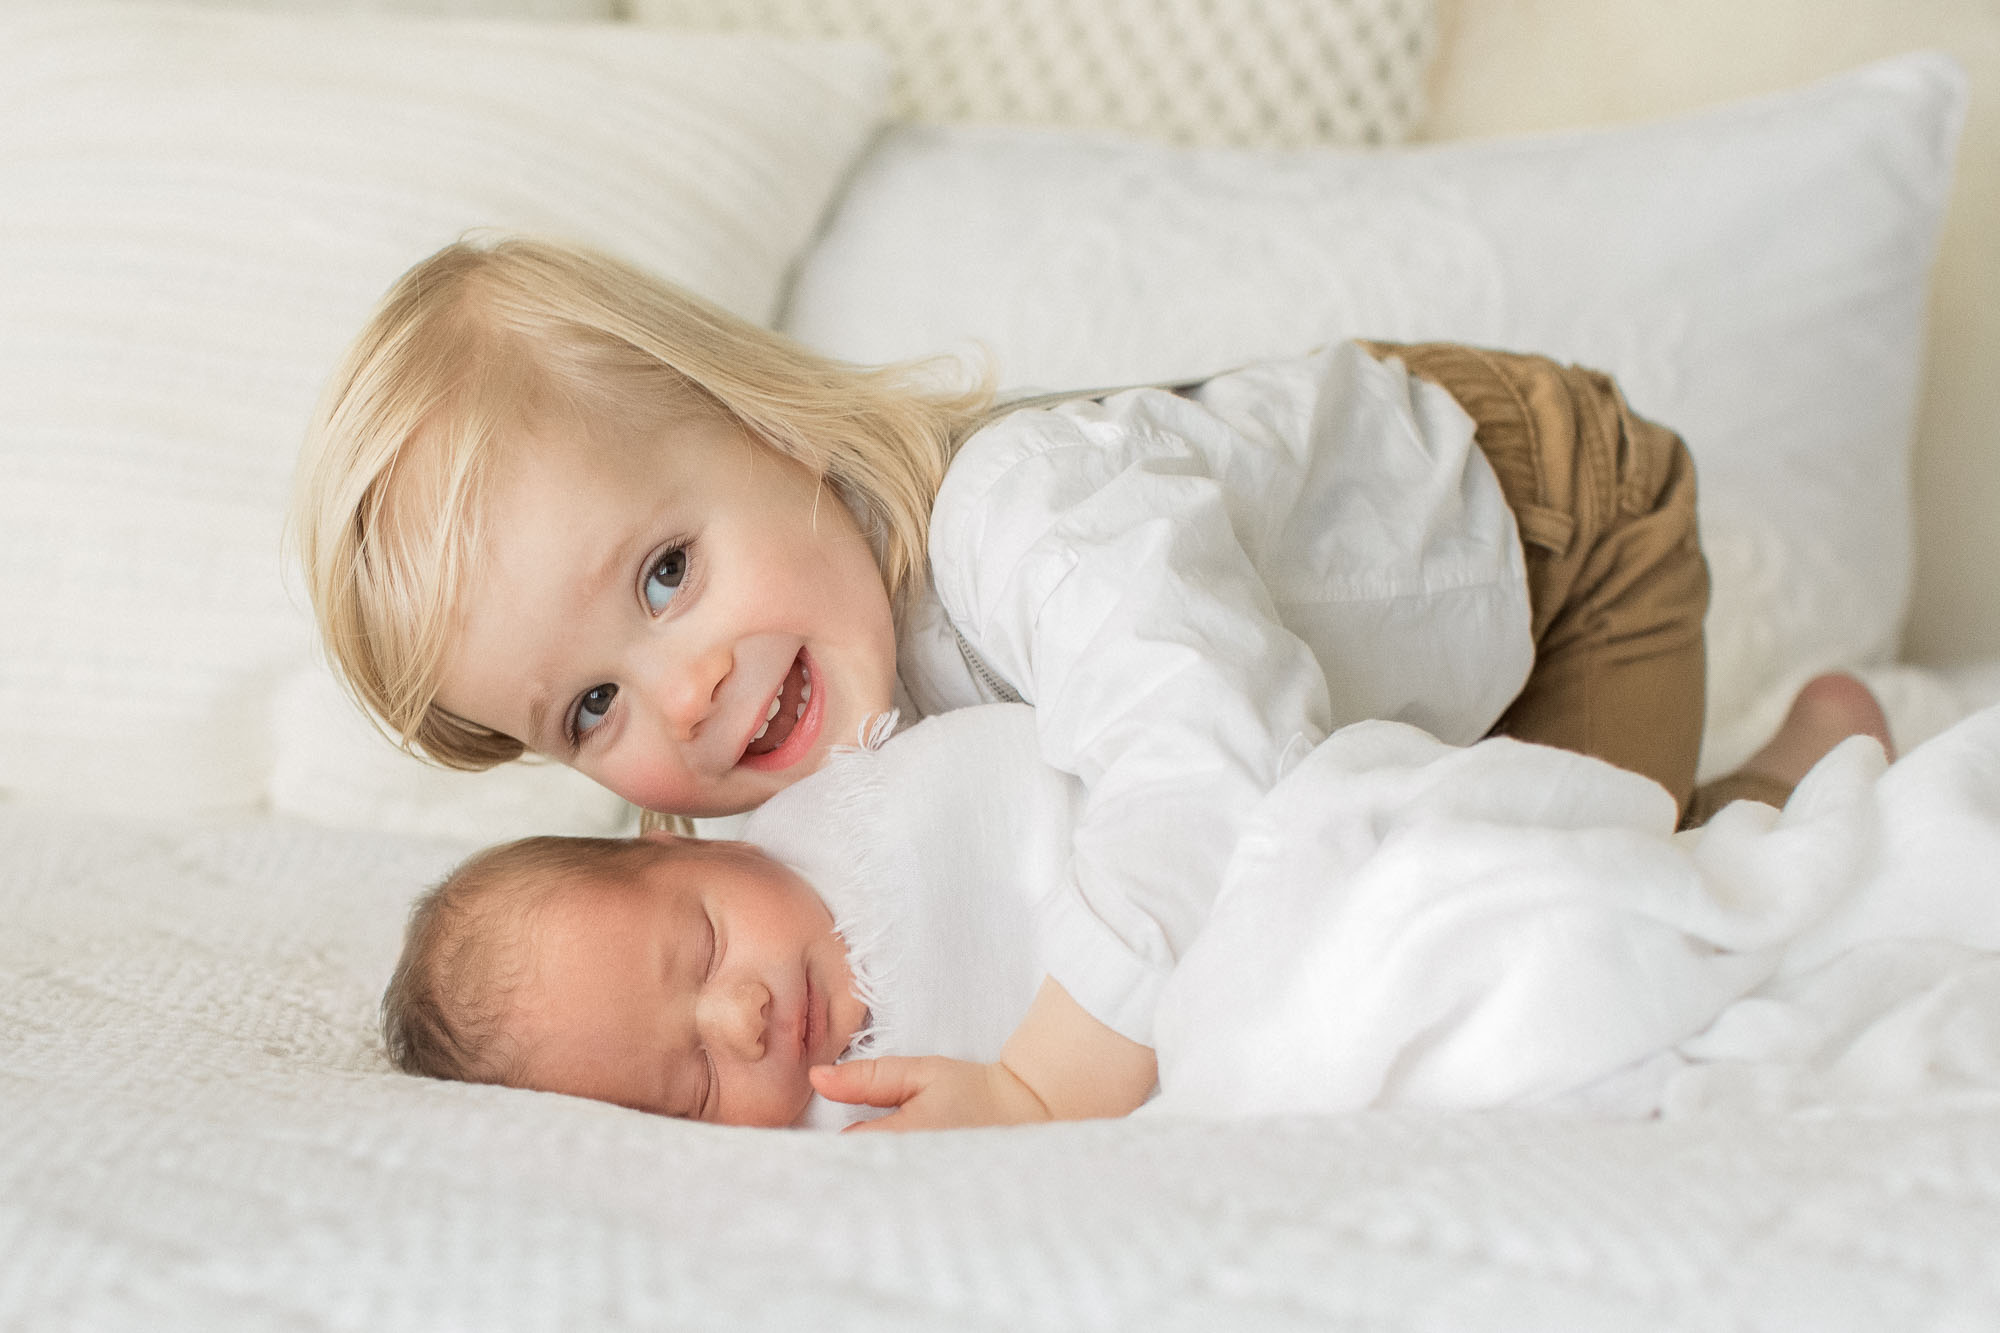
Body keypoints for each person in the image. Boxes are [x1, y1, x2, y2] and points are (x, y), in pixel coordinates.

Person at [295, 232, 1891, 1131]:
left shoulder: (1030, 515)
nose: (687, 692)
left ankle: (1799, 754)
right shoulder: (734, 806)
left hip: (1540, 535)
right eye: (591, 710)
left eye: (665, 574)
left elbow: (1209, 764)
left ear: (767, 432)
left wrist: (1053, 1078)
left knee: (1605, 889)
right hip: (1332, 627)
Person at [380, 697, 1917, 1129]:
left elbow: (1124, 809)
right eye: (686, 1081)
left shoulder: (872, 809)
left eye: (700, 949)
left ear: (683, 837)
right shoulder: (838, 1140)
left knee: (1456, 894)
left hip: (1262, 863)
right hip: (1238, 1020)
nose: (744, 1015)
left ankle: (1808, 791)